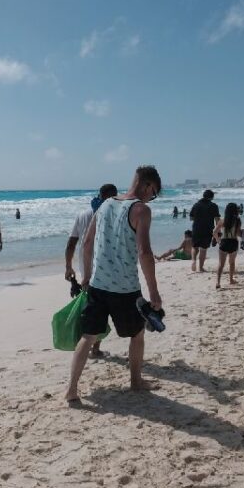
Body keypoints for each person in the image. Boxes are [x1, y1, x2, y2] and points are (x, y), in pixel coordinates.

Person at [64, 166, 163, 406]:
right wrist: (154, 293)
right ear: (148, 186)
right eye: (155, 193)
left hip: (98, 285)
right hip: (126, 288)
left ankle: (71, 390)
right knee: (137, 334)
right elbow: (145, 252)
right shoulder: (141, 210)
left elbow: (86, 243)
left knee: (88, 336)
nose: (152, 198)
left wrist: (87, 276)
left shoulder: (106, 204)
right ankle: (135, 381)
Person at [65, 185, 118, 357]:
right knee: (101, 310)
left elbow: (72, 243)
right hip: (106, 270)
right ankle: (94, 348)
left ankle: (88, 346)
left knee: (93, 309)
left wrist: (68, 266)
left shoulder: (83, 215)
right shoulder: (114, 214)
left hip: (86, 270)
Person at [189, 190, 220, 273]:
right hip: (208, 229)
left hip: (196, 228)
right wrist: (218, 231)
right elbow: (217, 219)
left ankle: (193, 261)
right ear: (211, 197)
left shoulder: (196, 205)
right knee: (203, 249)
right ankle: (201, 267)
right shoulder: (214, 206)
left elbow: (191, 218)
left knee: (194, 247)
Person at [214, 202, 242, 289]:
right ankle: (231, 280)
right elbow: (238, 233)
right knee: (232, 262)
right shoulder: (237, 220)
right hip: (233, 242)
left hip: (224, 242)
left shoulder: (222, 221)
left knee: (221, 264)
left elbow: (214, 232)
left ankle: (218, 282)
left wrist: (218, 241)